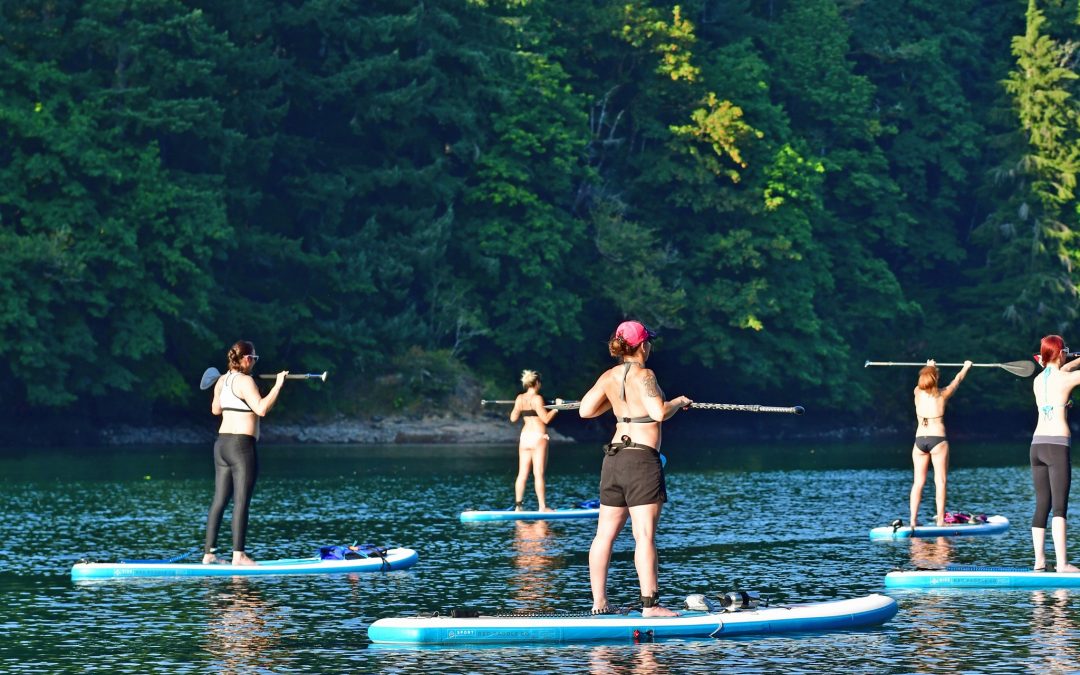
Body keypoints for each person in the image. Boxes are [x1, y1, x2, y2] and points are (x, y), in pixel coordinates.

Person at [579, 320, 692, 617]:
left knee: (604, 535)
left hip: (614, 458)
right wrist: (679, 402)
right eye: (648, 342)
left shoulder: (609, 377)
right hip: (641, 460)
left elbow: (585, 410)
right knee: (644, 536)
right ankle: (650, 606)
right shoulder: (646, 374)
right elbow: (658, 412)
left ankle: (599, 603)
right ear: (643, 345)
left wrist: (616, 402)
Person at [204, 341, 288, 565]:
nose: (254, 363)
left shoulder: (222, 380)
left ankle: (209, 554)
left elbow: (215, 410)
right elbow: (261, 408)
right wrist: (277, 385)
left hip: (221, 445)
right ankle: (238, 555)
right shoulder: (246, 381)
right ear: (247, 359)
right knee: (241, 501)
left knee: (219, 500)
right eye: (254, 358)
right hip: (241, 446)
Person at [1030, 335, 1080, 572]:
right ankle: (1062, 564)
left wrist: (1070, 359)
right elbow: (1068, 371)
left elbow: (1061, 369)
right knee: (1059, 507)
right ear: (1060, 353)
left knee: (1042, 505)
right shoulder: (1066, 379)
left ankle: (1039, 561)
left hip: (1036, 446)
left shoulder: (1038, 380)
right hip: (1057, 446)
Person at [909, 358, 972, 529]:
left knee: (918, 482)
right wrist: (965, 367)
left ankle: (913, 521)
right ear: (936, 379)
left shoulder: (916, 392)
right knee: (941, 481)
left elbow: (926, 382)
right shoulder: (943, 394)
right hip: (938, 440)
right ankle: (940, 521)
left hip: (919, 441)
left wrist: (930, 367)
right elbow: (957, 380)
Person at [509, 370, 562, 511]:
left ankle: (518, 507)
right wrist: (556, 408)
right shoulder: (538, 399)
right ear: (537, 383)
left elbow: (513, 418)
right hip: (538, 436)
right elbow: (545, 419)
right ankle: (542, 507)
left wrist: (519, 407)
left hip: (525, 437)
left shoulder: (519, 398)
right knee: (538, 473)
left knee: (522, 473)